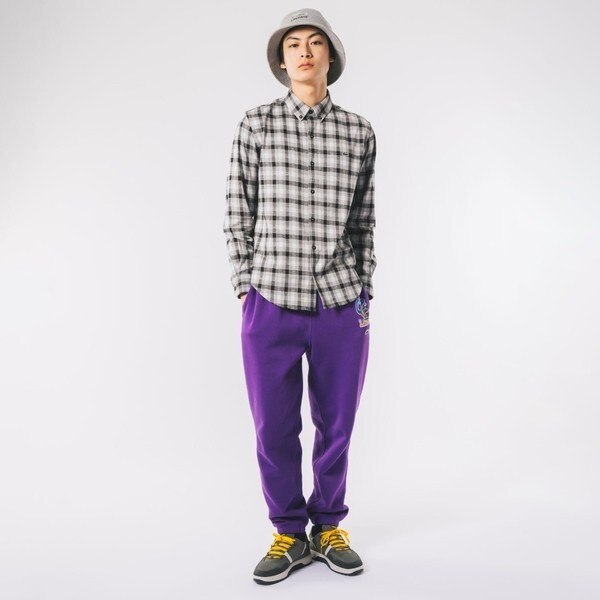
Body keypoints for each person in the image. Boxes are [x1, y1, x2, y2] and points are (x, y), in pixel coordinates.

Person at [223, 8, 377, 585]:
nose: (305, 51)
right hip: (270, 300)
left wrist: (364, 293)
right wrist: (246, 287)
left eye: (316, 43)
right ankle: (288, 532)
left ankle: (329, 525)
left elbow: (364, 220)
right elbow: (237, 210)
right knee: (273, 426)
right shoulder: (256, 125)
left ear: (330, 57)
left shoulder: (359, 132)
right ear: (282, 60)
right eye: (294, 44)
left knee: (337, 424)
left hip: (340, 303)